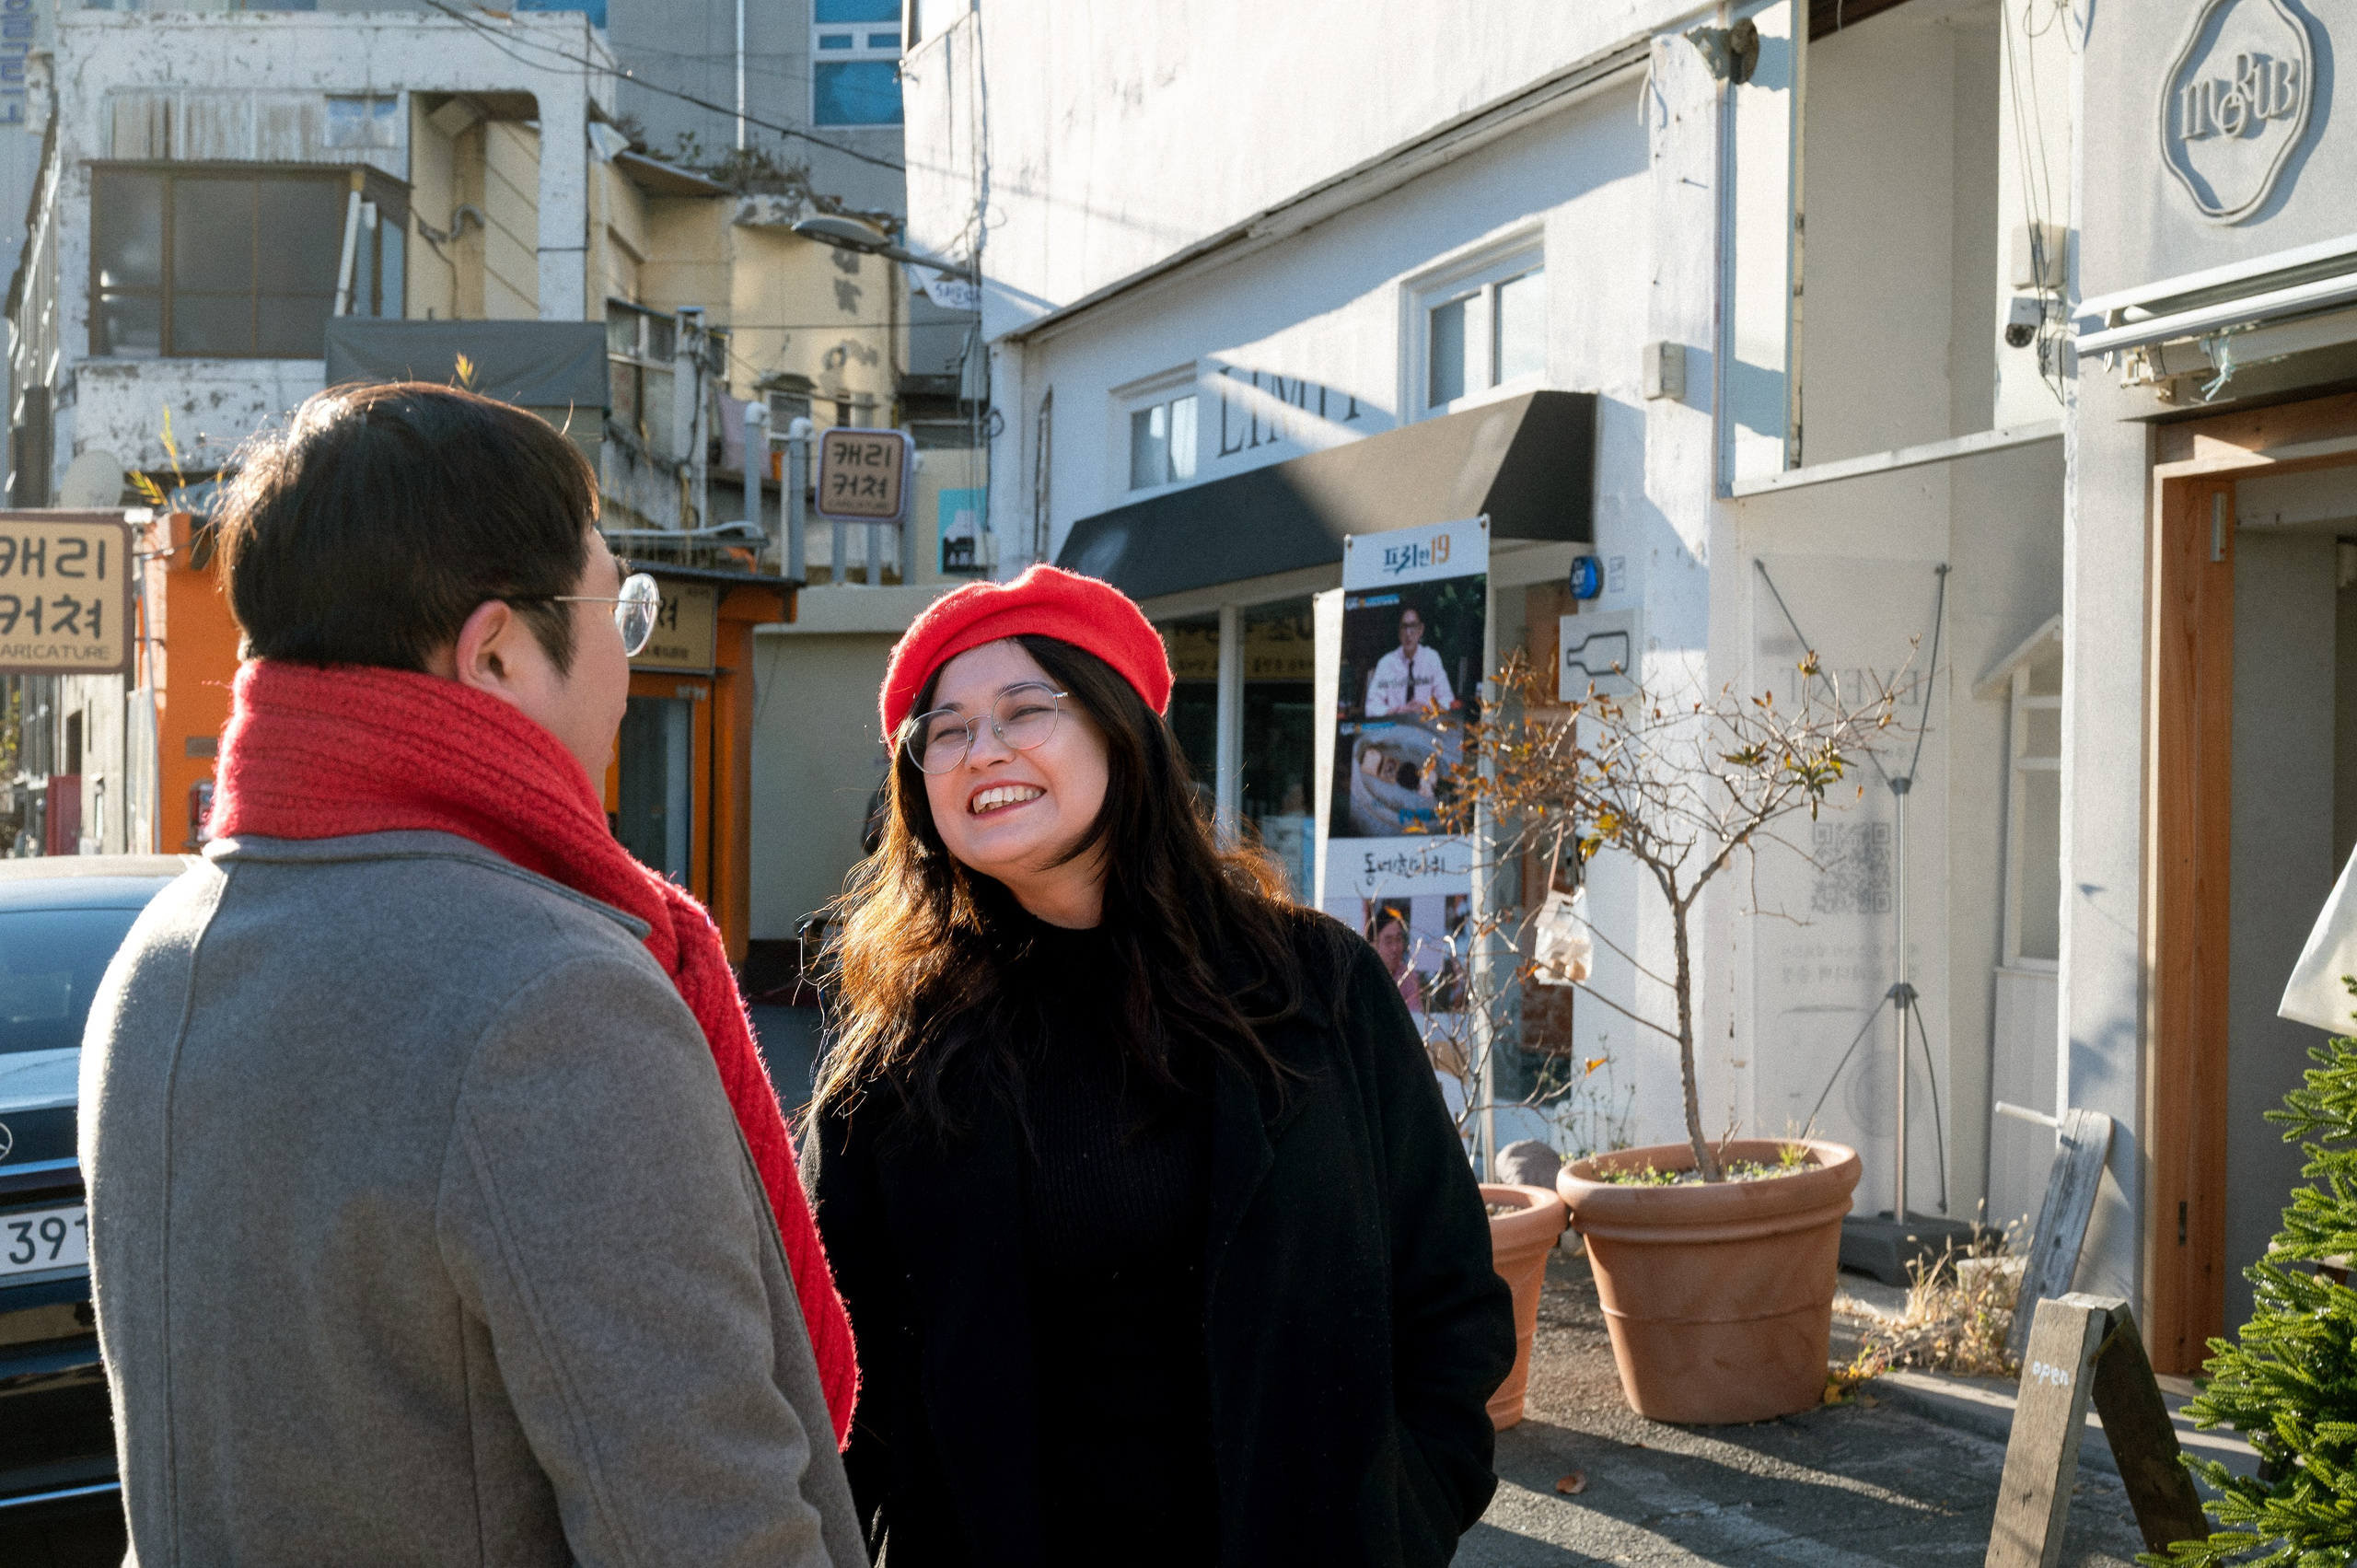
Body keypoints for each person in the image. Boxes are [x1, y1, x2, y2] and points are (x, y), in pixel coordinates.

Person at [79, 384, 865, 1566]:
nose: (625, 665)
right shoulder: (554, 995)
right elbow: (716, 1530)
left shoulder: (158, 954)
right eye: (620, 610)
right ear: (495, 650)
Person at [805, 563, 1515, 1567]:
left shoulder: (1316, 988)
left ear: (1119, 729)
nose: (982, 750)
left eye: (1023, 709)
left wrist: (1401, 1513)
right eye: (945, 731)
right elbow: (837, 1376)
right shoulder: (900, 1054)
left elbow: (1449, 1294)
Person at [1364, 604, 1456, 716]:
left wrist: (1426, 708)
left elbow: (1448, 700)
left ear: (1421, 629)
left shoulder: (1432, 658)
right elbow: (1371, 708)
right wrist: (1397, 710)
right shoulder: (1386, 663)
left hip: (1425, 723)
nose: (1408, 633)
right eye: (1404, 626)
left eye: (1413, 626)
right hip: (1396, 724)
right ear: (1399, 632)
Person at [1373, 911, 1425, 1013]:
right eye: (1388, 941)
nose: (1395, 948)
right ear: (1373, 945)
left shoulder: (1409, 977)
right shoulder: (1363, 976)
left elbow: (1415, 1015)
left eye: (1398, 939)